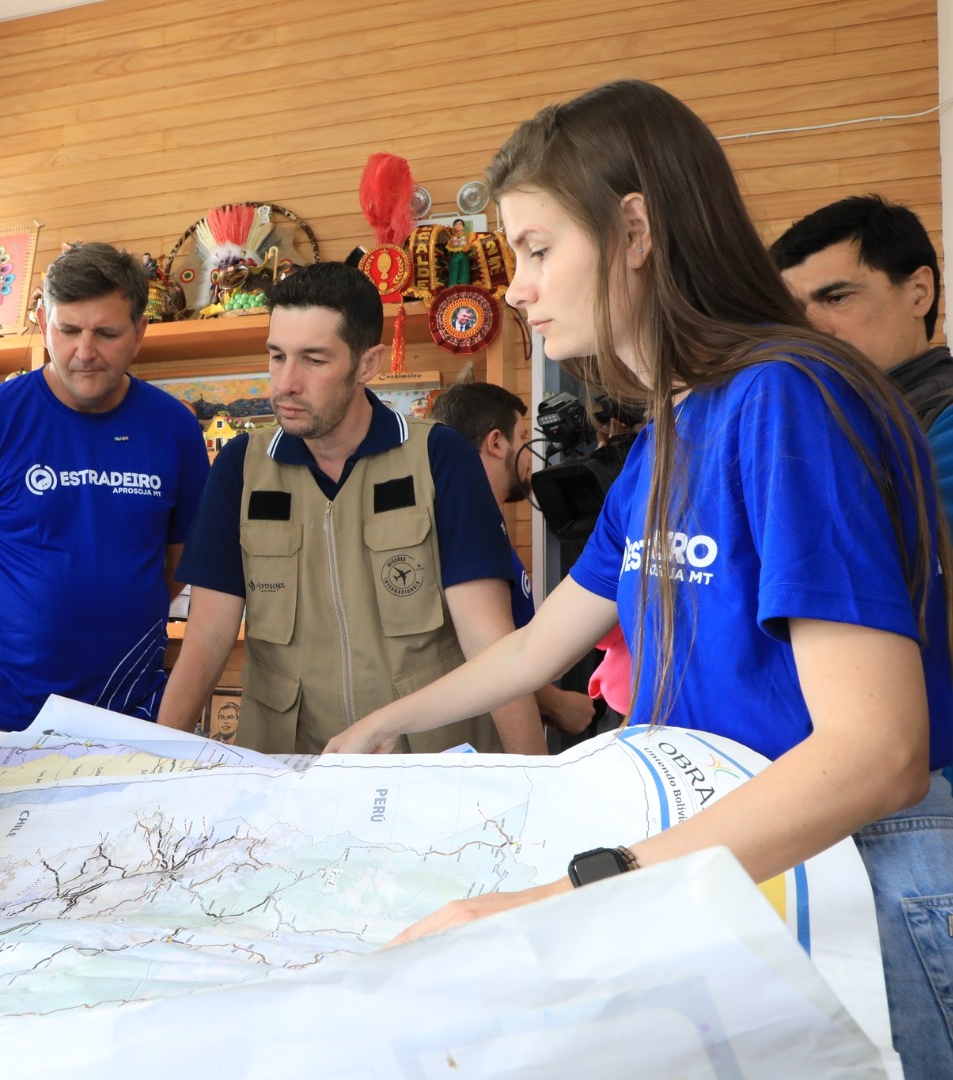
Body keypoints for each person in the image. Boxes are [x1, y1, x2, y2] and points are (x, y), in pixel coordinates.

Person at [324, 80, 953, 1078]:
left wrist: (578, 893)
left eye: (536, 250)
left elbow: (879, 752)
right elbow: (545, 641)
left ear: (634, 229)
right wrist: (388, 723)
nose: (518, 288)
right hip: (735, 854)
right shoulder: (673, 429)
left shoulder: (786, 400)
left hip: (860, 875)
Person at [157, 262, 547, 756]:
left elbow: (488, 641)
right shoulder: (240, 466)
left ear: (368, 364)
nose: (285, 383)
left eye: (314, 360)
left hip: (427, 763)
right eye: (277, 357)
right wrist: (159, 766)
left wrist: (533, 778)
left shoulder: (437, 457)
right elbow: (207, 640)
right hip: (290, 767)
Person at [0, 242, 210, 730]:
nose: (84, 353)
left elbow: (177, 565)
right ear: (43, 322)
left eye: (106, 333)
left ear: (139, 331)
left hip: (133, 710)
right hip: (2, 713)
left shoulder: (174, 428)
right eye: (68, 331)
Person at [771, 194, 953, 520]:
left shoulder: (945, 425)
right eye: (794, 312)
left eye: (837, 297)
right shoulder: (808, 416)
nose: (810, 330)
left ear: (919, 292)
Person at [428, 381, 595, 735]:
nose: (531, 453)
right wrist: (555, 703)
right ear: (496, 443)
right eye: (522, 436)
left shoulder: (488, 523)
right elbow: (486, 652)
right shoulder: (463, 530)